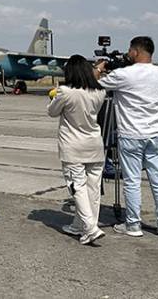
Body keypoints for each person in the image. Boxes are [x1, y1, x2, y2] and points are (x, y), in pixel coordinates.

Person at [96, 36, 158, 239]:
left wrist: (100, 67)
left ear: (136, 51)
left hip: (131, 134)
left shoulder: (124, 75)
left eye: (130, 50)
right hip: (156, 134)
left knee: (132, 181)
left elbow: (95, 83)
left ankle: (133, 224)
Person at [47, 55, 106, 245]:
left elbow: (52, 111)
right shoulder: (99, 92)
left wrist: (54, 96)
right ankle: (79, 225)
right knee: (93, 189)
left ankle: (90, 227)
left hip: (73, 147)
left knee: (77, 187)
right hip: (94, 145)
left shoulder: (66, 92)